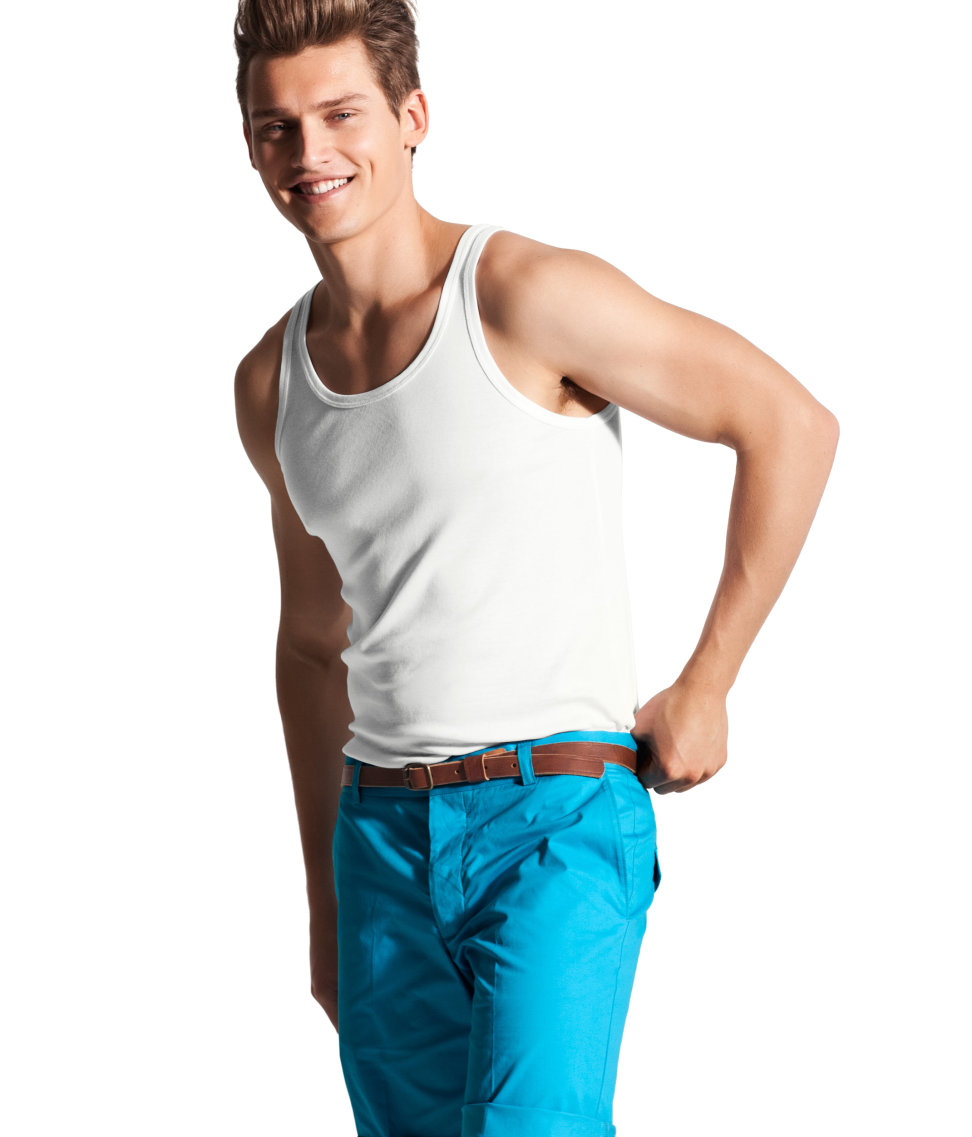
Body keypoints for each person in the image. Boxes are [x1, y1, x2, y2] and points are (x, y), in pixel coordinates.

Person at [232, 2, 839, 1134]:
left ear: (413, 117)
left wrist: (709, 682)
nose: (309, 152)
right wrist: (326, 906)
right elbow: (313, 646)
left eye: (341, 114)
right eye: (277, 127)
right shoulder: (271, 382)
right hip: (377, 840)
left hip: (553, 819)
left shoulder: (518, 295)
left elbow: (787, 425)